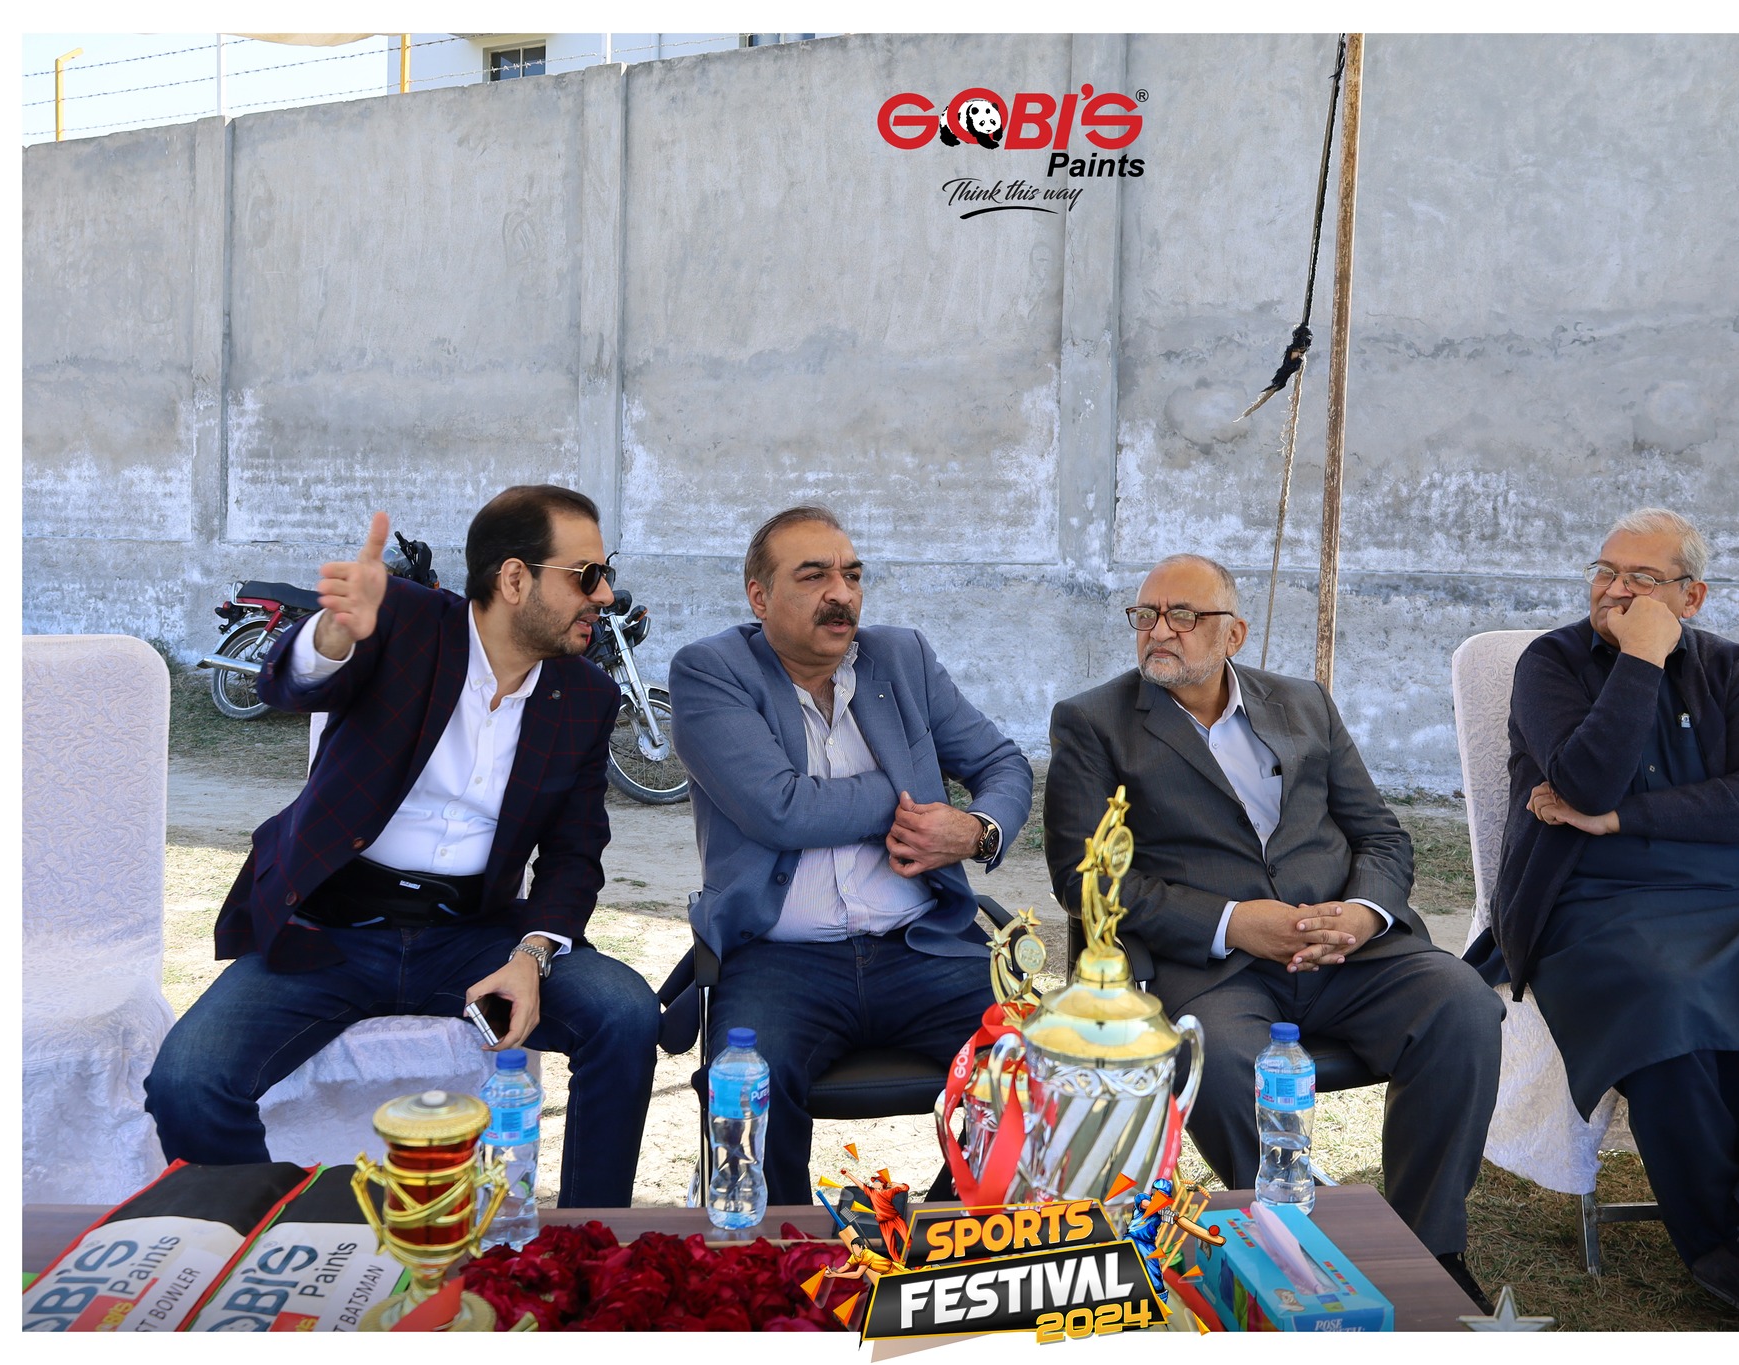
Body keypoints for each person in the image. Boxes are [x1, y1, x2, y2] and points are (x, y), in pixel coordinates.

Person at [145, 486, 662, 1207]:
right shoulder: (408, 622)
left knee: (626, 1014)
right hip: (331, 930)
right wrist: (331, 638)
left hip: (474, 938)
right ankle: (276, 1236)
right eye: (586, 576)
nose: (604, 595)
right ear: (515, 579)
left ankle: (586, 1243)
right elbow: (288, 685)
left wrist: (530, 955)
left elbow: (575, 854)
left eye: (604, 574)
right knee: (187, 1081)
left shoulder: (584, 696)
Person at [1044, 553, 1504, 1312]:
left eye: (1182, 615)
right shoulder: (1095, 722)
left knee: (1463, 1004)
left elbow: (1381, 836)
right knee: (1221, 1058)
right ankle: (1295, 1255)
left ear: (1233, 633)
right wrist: (1233, 923)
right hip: (1217, 969)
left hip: (1348, 951)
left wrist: (1363, 914)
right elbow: (1086, 879)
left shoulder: (1303, 703)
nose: (1160, 630)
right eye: (1146, 615)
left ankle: (1428, 1251)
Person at [1472, 507, 1739, 1331]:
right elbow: (1585, 779)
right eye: (1604, 571)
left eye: (1642, 578)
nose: (1614, 589)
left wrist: (1621, 818)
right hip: (1591, 909)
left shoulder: (1731, 667)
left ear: (1691, 596)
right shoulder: (1550, 663)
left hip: (1726, 903)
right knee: (1666, 1003)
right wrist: (1641, 660)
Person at [661, 505, 1033, 1206]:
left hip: (919, 945)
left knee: (1036, 1067)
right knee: (746, 1088)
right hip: (780, 958)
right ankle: (783, 1252)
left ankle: (938, 1236)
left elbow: (1002, 764)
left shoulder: (903, 658)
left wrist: (976, 830)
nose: (842, 593)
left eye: (852, 575)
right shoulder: (710, 672)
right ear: (759, 597)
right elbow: (781, 809)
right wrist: (914, 792)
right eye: (814, 576)